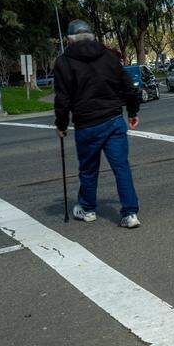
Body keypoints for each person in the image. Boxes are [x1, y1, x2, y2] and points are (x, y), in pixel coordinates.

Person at [53, 20, 142, 228]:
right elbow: (128, 86)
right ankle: (130, 213)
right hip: (113, 120)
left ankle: (88, 208)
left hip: (86, 124)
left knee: (88, 170)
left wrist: (61, 124)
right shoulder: (110, 56)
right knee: (122, 168)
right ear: (92, 36)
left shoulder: (64, 62)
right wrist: (132, 112)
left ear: (69, 39)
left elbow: (62, 99)